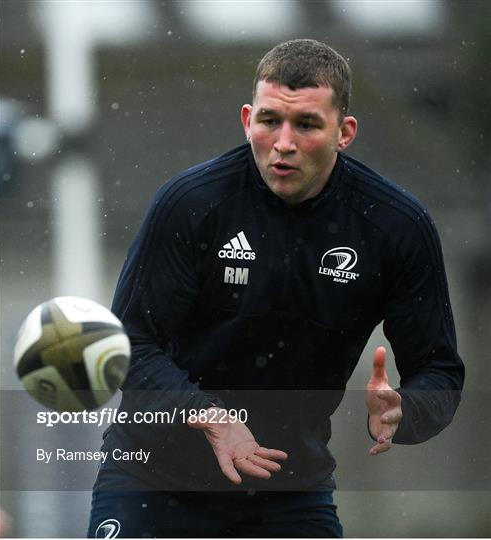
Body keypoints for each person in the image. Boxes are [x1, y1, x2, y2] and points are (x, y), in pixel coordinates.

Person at [88, 39, 464, 538]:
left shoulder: (396, 227)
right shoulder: (190, 204)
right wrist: (209, 416)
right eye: (269, 121)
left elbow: (438, 370)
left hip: (288, 492)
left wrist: (407, 410)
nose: (283, 142)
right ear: (248, 120)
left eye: (306, 124)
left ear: (344, 132)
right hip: (151, 480)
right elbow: (126, 345)